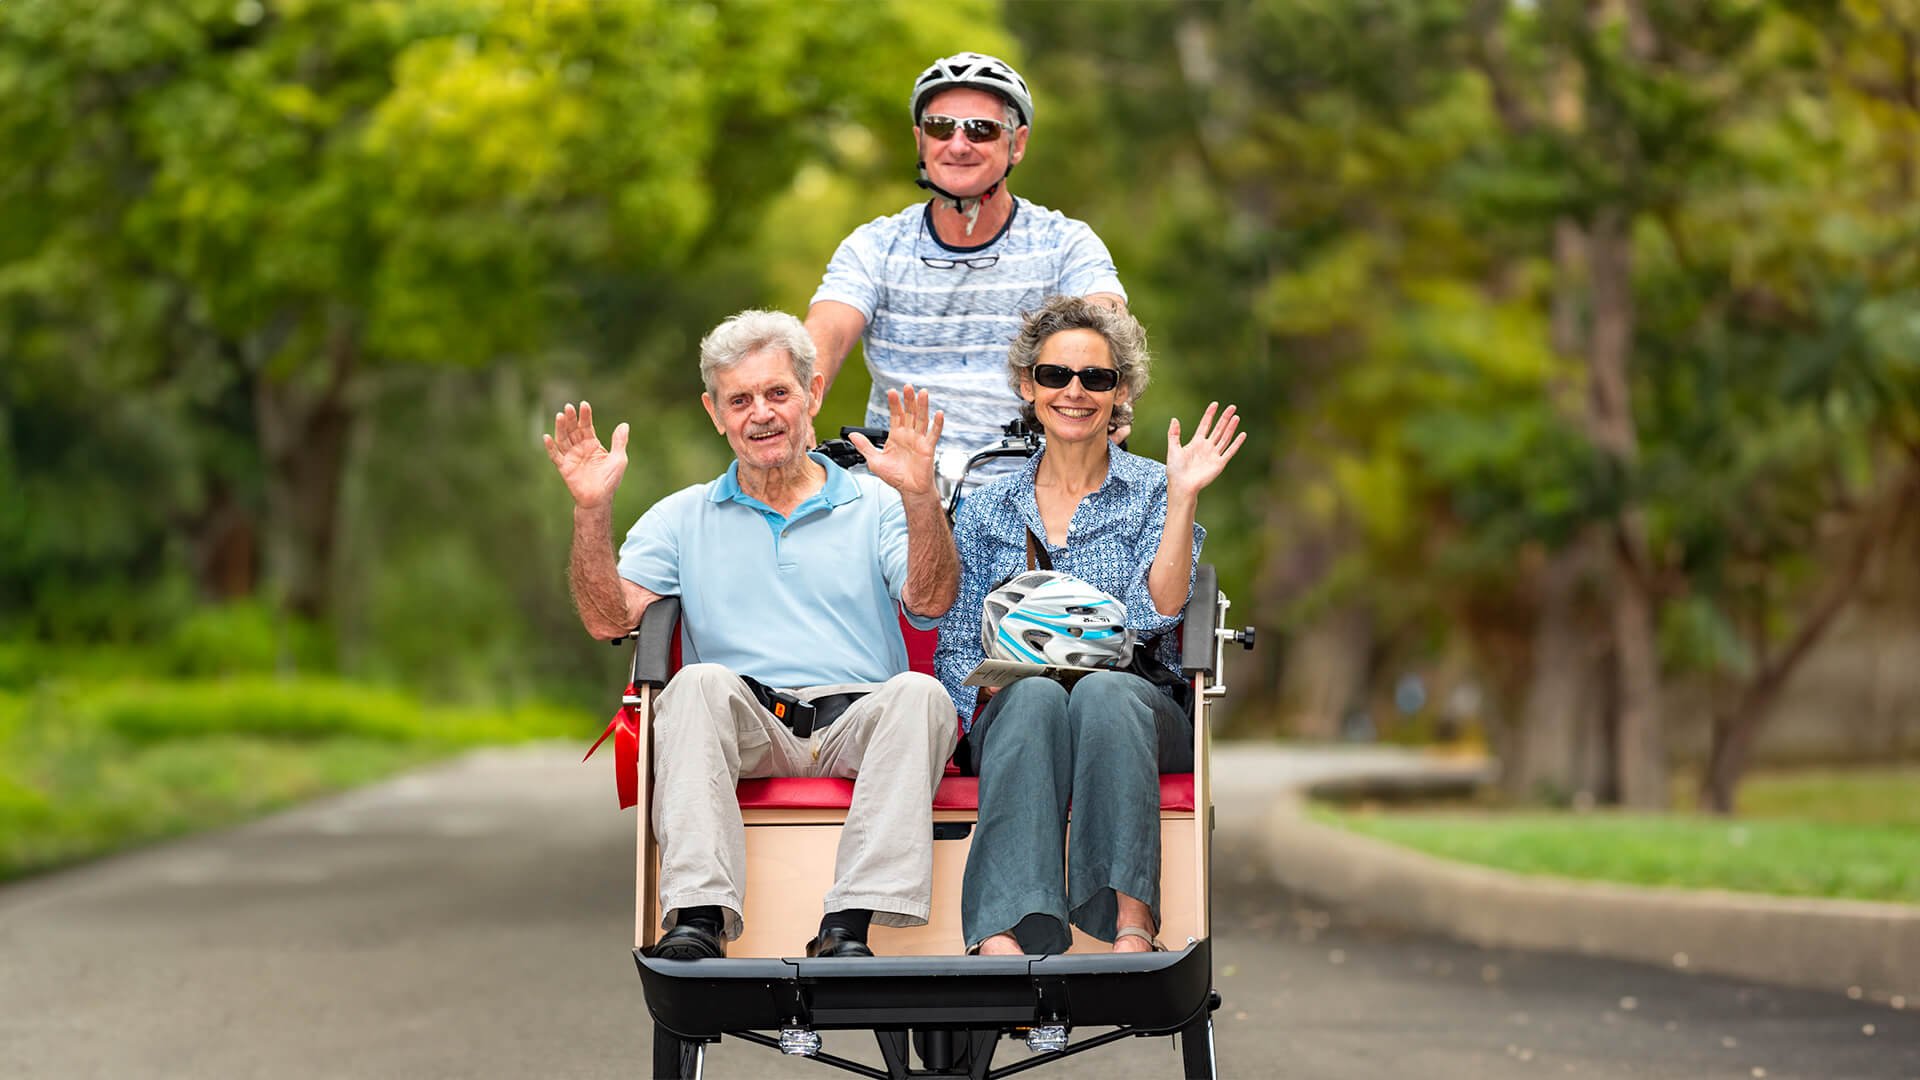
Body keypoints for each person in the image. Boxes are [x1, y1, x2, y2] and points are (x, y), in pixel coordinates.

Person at [545, 310, 961, 961]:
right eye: (740, 400)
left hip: (859, 722)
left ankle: (849, 924)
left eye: (777, 393)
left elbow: (931, 600)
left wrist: (918, 496)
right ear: (715, 412)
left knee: (922, 694)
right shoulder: (681, 516)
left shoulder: (876, 501)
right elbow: (607, 618)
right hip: (749, 723)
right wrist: (591, 511)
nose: (761, 414)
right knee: (697, 683)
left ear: (813, 394)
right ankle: (697, 917)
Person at [931, 296, 1244, 956]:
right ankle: (1002, 927)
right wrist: (981, 694)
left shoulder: (1156, 489)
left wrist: (1184, 498)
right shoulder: (988, 509)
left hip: (1135, 705)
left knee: (1103, 692)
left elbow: (1157, 611)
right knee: (1034, 694)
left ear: (1120, 391)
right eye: (1055, 376)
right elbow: (958, 640)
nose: (1074, 392)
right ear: (1028, 385)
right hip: (1019, 713)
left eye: (1095, 378)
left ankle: (1131, 920)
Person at [806, 52, 1131, 485]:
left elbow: (1106, 322)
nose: (958, 145)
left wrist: (1107, 392)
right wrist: (796, 400)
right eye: (942, 127)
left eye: (981, 130)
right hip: (893, 490)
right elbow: (822, 336)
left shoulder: (1064, 244)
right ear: (921, 140)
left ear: (1016, 143)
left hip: (1032, 487)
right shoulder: (874, 246)